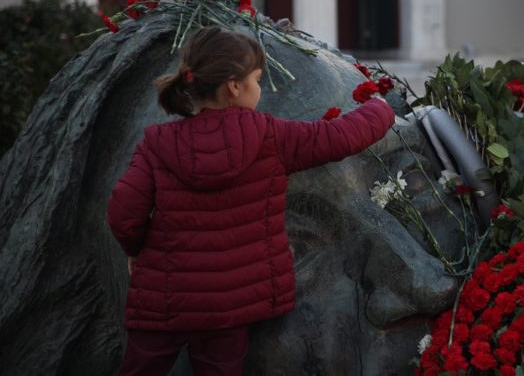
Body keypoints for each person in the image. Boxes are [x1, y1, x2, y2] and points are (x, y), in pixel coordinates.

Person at [106, 26, 394, 375]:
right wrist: (380, 106)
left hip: (162, 295)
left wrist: (136, 249)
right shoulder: (271, 137)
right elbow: (339, 137)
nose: (259, 89)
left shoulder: (158, 141)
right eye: (257, 80)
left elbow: (124, 211)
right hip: (229, 304)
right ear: (234, 86)